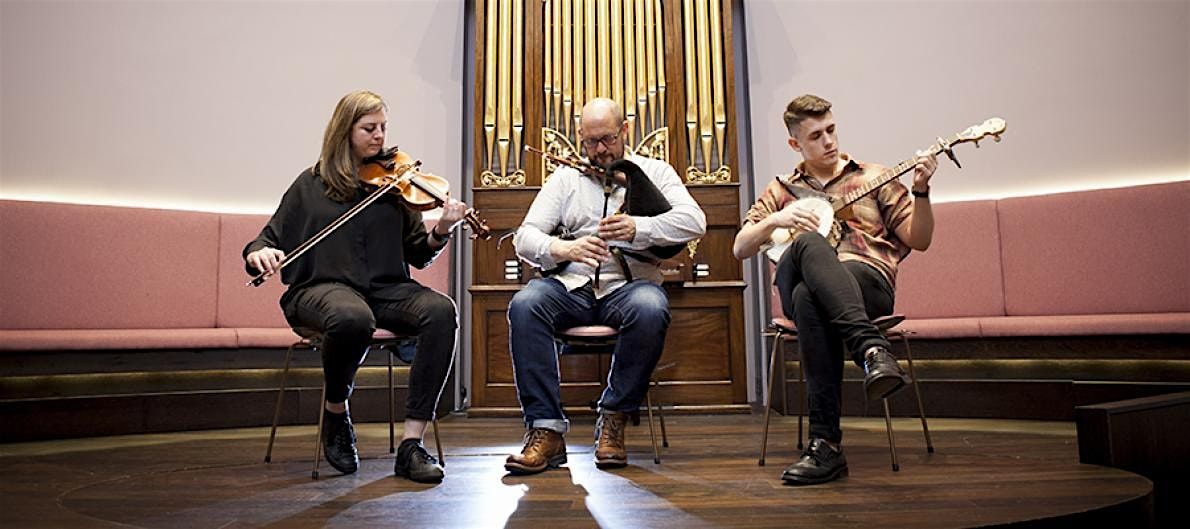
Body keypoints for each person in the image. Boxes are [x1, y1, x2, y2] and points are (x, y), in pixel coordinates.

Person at [244, 89, 466, 483]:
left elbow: (419, 253)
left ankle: (412, 444)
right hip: (319, 290)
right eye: (369, 128)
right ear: (344, 132)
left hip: (386, 290)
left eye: (383, 127)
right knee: (351, 316)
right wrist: (259, 254)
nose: (380, 136)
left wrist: (442, 230)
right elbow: (267, 239)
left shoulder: (396, 185)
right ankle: (335, 410)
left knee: (440, 310)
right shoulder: (309, 186)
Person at [732, 94, 938, 485]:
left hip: (867, 282)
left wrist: (923, 191)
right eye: (816, 136)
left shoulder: (875, 176)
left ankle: (825, 446)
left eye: (831, 129)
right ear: (796, 144)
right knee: (809, 242)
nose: (828, 141)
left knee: (808, 299)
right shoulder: (782, 190)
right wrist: (780, 216)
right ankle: (872, 351)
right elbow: (740, 248)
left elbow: (920, 239)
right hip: (803, 272)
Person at [504, 97, 707, 474]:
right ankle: (546, 429)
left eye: (608, 140)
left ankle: (613, 415)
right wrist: (564, 247)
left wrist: (639, 229)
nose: (600, 151)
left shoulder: (655, 172)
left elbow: (694, 221)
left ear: (625, 131)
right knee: (525, 304)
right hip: (571, 286)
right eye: (591, 142)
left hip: (629, 289)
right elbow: (524, 237)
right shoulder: (565, 179)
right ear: (580, 138)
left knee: (651, 307)